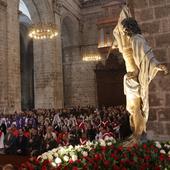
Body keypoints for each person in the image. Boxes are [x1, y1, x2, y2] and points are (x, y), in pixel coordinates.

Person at [112, 5, 168, 145]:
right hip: (131, 77)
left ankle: (137, 135)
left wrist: (157, 65)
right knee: (133, 108)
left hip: (134, 79)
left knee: (136, 107)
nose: (123, 32)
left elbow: (147, 55)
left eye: (125, 29)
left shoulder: (137, 39)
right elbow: (117, 30)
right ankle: (137, 133)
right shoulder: (131, 40)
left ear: (130, 28)